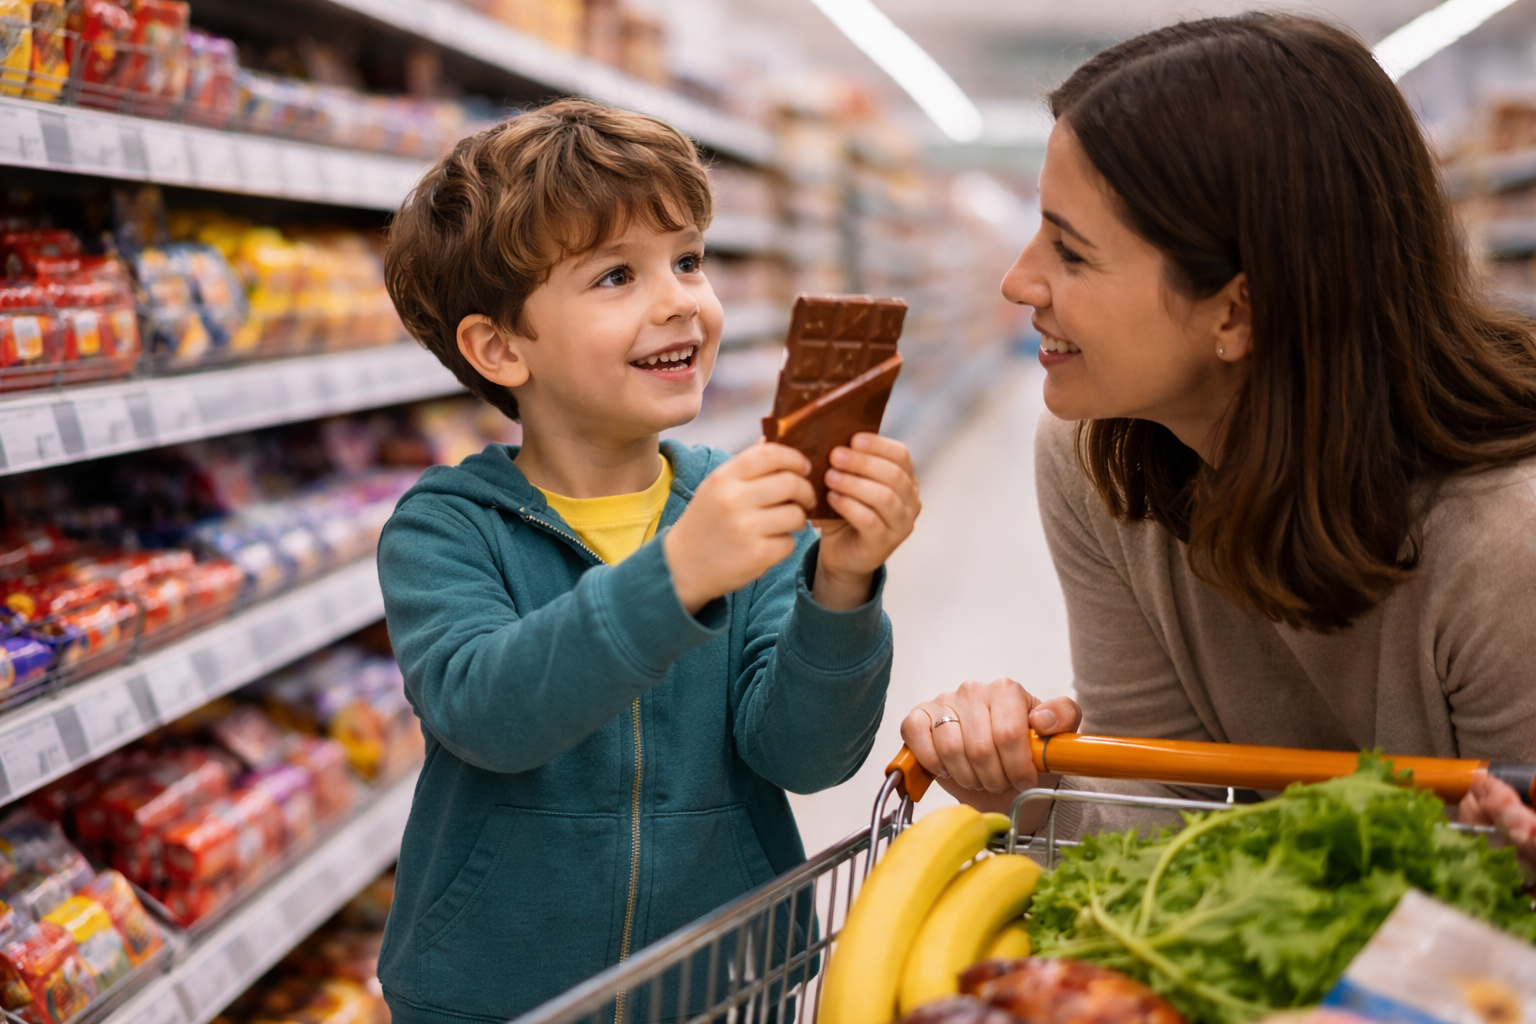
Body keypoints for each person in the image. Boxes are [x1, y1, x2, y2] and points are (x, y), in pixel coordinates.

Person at [902, 13, 1536, 854]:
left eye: (1073, 253)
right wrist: (1033, 788)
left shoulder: (1506, 538)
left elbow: (1499, 900)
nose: (1019, 282)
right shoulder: (1100, 459)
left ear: (1236, 310)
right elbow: (1168, 804)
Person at [376, 99, 921, 1024]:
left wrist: (843, 583)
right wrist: (677, 575)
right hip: (497, 996)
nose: (680, 300)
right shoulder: (448, 529)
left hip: (719, 986)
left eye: (689, 260)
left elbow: (805, 752)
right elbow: (489, 710)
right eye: (617, 275)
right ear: (500, 346)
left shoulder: (753, 508)